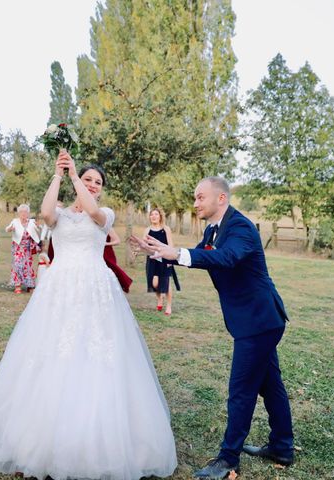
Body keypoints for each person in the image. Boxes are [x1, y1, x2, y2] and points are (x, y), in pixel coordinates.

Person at [0, 151, 177, 480]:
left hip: (96, 288)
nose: (94, 185)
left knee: (96, 352)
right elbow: (45, 213)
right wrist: (59, 174)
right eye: (88, 179)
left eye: (98, 182)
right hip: (59, 288)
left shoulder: (106, 213)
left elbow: (95, 212)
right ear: (78, 182)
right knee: (53, 349)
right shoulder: (59, 213)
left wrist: (75, 179)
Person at [132, 177, 293, 480]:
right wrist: (158, 251)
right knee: (270, 385)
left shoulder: (241, 228)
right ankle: (282, 446)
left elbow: (225, 258)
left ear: (221, 198)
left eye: (200, 197)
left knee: (241, 391)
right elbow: (199, 255)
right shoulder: (212, 229)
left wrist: (176, 253)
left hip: (259, 321)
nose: (195, 204)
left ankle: (228, 459)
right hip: (257, 321)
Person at [143, 208, 180, 315]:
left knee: (167, 283)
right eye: (151, 215)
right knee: (154, 283)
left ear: (160, 216)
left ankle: (168, 306)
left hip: (165, 258)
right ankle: (159, 298)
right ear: (150, 217)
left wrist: (171, 258)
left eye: (156, 214)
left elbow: (170, 244)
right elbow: (145, 245)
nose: (154, 216)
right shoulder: (147, 230)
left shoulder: (166, 229)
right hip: (152, 259)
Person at [5, 204, 41, 294]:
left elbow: (40, 229)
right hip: (18, 247)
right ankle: (17, 285)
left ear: (28, 213)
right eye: (21, 212)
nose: (23, 213)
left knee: (28, 266)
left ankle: (30, 285)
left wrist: (39, 226)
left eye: (25, 212)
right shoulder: (15, 221)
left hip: (28, 247)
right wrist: (10, 229)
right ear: (18, 213)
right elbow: (7, 229)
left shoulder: (32, 222)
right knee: (17, 264)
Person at [104, 227, 133, 293]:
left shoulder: (107, 226)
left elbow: (117, 241)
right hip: (95, 252)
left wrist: (106, 244)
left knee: (112, 270)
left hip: (107, 253)